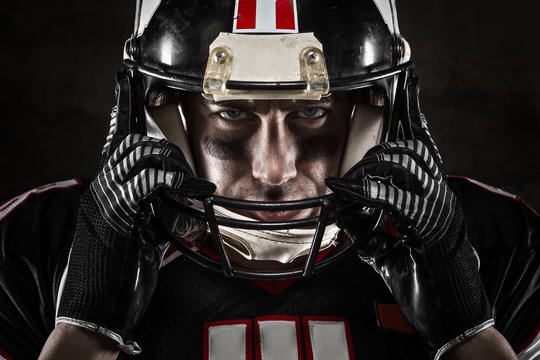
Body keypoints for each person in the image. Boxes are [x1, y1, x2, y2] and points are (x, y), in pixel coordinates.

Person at [0, 0, 539, 359]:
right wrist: (85, 325)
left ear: (371, 111)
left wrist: (468, 327)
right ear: (166, 114)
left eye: (312, 112)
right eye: (231, 114)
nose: (275, 170)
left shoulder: (497, 245)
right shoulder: (37, 247)